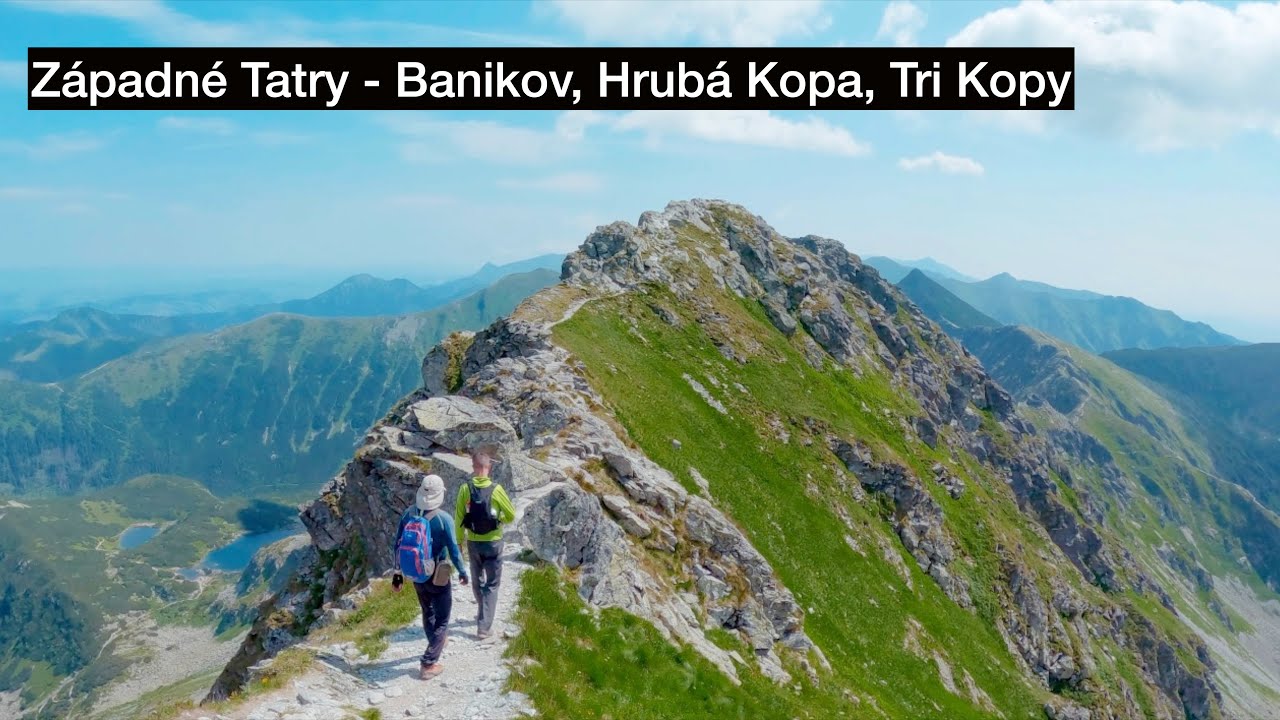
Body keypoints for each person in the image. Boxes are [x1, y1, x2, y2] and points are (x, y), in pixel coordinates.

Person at [392, 473, 468, 680]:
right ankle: (428, 663)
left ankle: (436, 640)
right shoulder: (444, 519)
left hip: (416, 572)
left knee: (427, 611)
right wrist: (462, 572)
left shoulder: (409, 513)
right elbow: (454, 550)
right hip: (437, 573)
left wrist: (397, 574)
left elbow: (397, 544)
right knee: (443, 618)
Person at [454, 449, 516, 639]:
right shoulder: (497, 489)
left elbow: (459, 518)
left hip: (473, 542)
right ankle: (484, 627)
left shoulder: (465, 489)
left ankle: (483, 613)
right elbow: (511, 515)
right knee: (492, 583)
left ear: (474, 467)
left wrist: (458, 542)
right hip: (494, 542)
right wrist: (499, 520)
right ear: (489, 467)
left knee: (477, 580)